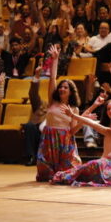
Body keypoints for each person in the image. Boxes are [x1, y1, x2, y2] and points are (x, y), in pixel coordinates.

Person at [36, 45, 82, 181]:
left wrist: (82, 121)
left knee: (65, 173)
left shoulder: (74, 108)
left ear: (71, 91)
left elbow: (73, 131)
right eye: (61, 86)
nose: (62, 88)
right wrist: (55, 60)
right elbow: (52, 79)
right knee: (44, 173)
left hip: (64, 139)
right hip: (49, 136)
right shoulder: (52, 101)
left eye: (65, 87)